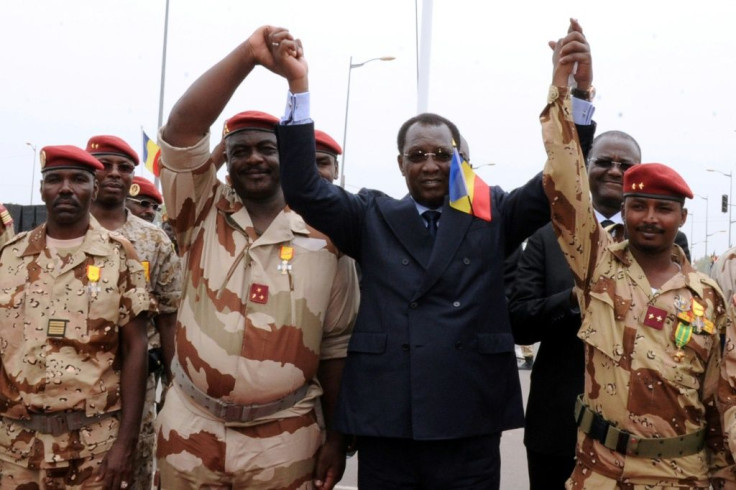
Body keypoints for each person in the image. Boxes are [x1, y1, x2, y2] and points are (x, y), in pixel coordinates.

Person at [273, 26, 593, 489]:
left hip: (468, 416)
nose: (430, 165)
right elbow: (303, 187)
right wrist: (298, 88)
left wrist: (574, 93)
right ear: (400, 163)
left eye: (443, 155)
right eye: (417, 155)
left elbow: (563, 181)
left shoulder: (493, 212)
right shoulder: (370, 214)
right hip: (390, 418)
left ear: (462, 159)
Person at [155, 26, 359, 490]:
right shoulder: (200, 209)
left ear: (289, 154)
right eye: (240, 150)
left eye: (267, 148)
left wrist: (337, 436)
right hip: (190, 428)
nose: (254, 159)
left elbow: (337, 346)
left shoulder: (328, 235)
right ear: (225, 160)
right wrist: (249, 55)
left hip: (285, 436)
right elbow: (181, 132)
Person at [541, 19, 735, 488]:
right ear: (623, 212)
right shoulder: (597, 266)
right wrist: (573, 91)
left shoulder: (708, 297)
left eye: (664, 209)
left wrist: (725, 477)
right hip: (600, 472)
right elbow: (564, 177)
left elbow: (721, 398)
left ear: (681, 219)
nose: (650, 217)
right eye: (639, 206)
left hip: (682, 475)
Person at [508, 129, 694, 487]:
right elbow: (519, 322)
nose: (614, 170)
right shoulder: (549, 236)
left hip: (644, 431)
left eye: (625, 165)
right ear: (586, 166)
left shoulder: (669, 240)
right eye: (604, 162)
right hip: (560, 426)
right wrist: (579, 299)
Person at [0, 145, 151, 488]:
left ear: (94, 189)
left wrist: (125, 445)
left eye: (78, 179)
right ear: (42, 190)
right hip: (12, 448)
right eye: (55, 179)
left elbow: (136, 350)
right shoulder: (9, 257)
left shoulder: (120, 257)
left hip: (93, 447)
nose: (65, 188)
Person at [87, 134, 181, 490]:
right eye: (103, 165)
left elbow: (168, 316)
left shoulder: (153, 240)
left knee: (132, 471)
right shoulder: (65, 231)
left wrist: (174, 388)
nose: (113, 173)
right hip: (69, 376)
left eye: (123, 168)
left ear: (131, 178)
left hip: (136, 379)